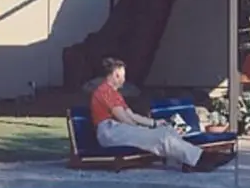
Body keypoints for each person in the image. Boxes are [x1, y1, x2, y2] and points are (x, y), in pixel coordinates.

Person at [90, 57, 227, 172]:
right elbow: (123, 117)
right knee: (161, 137)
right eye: (123, 75)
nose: (124, 79)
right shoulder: (105, 91)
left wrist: (155, 123)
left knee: (165, 130)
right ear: (116, 75)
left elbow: (131, 115)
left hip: (119, 129)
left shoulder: (115, 94)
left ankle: (190, 160)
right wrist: (143, 129)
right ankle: (199, 160)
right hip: (110, 131)